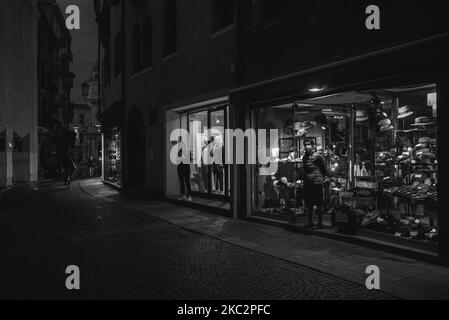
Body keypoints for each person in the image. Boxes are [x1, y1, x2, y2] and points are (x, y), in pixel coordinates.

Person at [301, 138, 329, 228]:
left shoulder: (318, 157)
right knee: (309, 203)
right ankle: (310, 222)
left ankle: (320, 223)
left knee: (319, 203)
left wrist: (326, 178)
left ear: (313, 146)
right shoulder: (304, 157)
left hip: (317, 182)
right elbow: (304, 170)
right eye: (305, 144)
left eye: (308, 144)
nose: (306, 146)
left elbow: (324, 170)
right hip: (307, 183)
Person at [176, 136, 192, 201]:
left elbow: (189, 159)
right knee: (182, 181)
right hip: (180, 167)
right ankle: (183, 195)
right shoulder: (179, 149)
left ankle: (189, 195)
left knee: (187, 181)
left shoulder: (187, 149)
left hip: (186, 167)